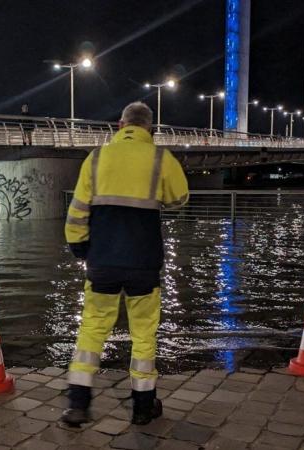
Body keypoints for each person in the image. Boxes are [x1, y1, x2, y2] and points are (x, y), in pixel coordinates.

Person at [63, 101, 189, 426]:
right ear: (151, 130)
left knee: (92, 328)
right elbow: (180, 198)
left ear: (120, 126)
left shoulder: (96, 158)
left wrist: (80, 250)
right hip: (144, 263)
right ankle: (143, 407)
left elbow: (77, 211)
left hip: (102, 261)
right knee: (144, 334)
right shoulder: (161, 158)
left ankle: (78, 403)